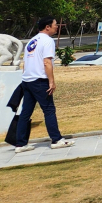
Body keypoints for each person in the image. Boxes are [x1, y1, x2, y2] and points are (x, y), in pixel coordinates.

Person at [13, 16, 75, 152]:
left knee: (26, 113)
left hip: (27, 80)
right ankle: (56, 139)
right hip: (40, 81)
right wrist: (51, 81)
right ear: (47, 27)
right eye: (55, 24)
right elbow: (47, 62)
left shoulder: (32, 41)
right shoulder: (47, 41)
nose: (57, 26)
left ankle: (20, 144)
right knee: (49, 110)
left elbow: (26, 63)